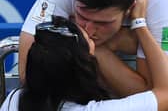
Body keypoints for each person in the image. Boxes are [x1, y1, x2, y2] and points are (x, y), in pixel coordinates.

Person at [19, 0, 168, 96]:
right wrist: (100, 47)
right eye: (81, 16)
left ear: (130, 9)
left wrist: (139, 25)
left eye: (102, 23)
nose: (88, 30)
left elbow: (152, 97)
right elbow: (27, 76)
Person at [1, 13, 168, 111]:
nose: (92, 32)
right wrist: (140, 22)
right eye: (88, 39)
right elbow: (165, 94)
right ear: (83, 67)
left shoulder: (15, 100)